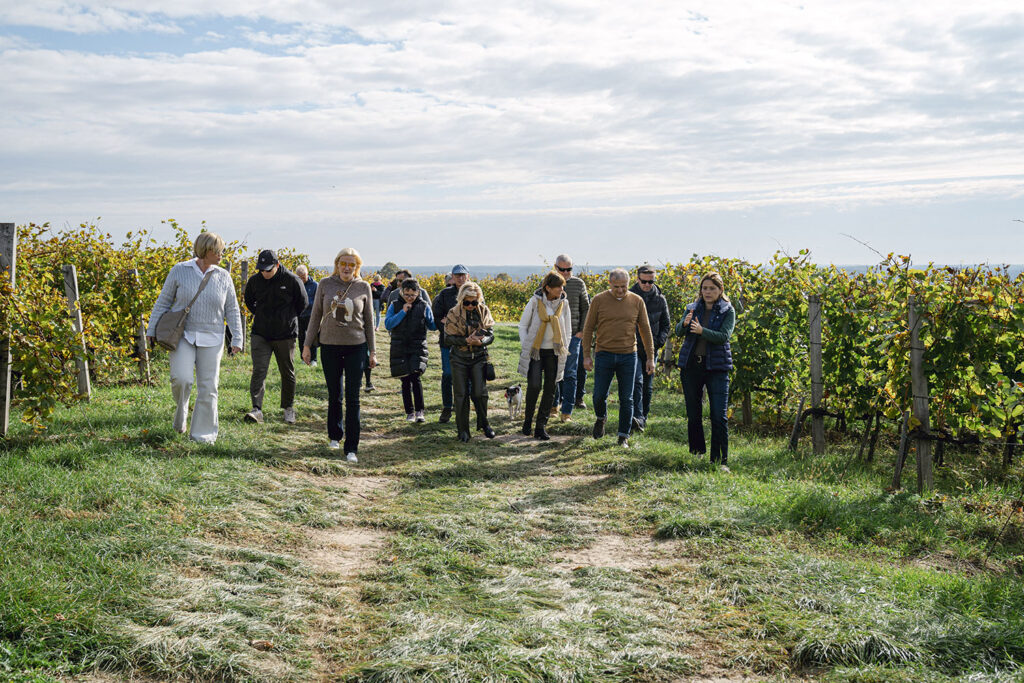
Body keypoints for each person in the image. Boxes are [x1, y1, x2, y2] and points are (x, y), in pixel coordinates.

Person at [147, 232, 242, 443]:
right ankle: (181, 411)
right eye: (219, 252)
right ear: (207, 251)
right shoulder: (180, 270)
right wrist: (151, 329)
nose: (222, 255)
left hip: (213, 337)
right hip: (183, 335)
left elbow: (232, 309)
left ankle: (203, 435)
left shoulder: (223, 276)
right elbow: (163, 302)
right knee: (181, 379)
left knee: (209, 387)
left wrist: (237, 338)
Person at [303, 248, 377, 463]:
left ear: (357, 267)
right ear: (337, 264)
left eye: (351, 265)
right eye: (343, 263)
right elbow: (315, 315)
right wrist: (308, 346)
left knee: (353, 397)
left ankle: (351, 447)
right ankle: (335, 435)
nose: (347, 268)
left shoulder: (363, 287)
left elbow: (370, 321)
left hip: (356, 347)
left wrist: (372, 351)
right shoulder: (325, 284)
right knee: (335, 394)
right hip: (329, 346)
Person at [581, 268, 655, 448]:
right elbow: (589, 328)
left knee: (627, 398)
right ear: (609, 284)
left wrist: (650, 357)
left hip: (628, 355)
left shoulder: (637, 301)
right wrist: (586, 356)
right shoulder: (599, 300)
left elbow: (645, 330)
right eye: (616, 287)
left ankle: (623, 436)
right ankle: (601, 417)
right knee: (598, 395)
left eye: (624, 287)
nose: (620, 290)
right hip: (604, 353)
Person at [675, 272, 735, 470]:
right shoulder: (692, 308)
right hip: (692, 366)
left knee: (719, 415)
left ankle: (719, 460)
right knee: (694, 413)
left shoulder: (728, 311)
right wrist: (683, 324)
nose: (708, 292)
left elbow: (723, 336)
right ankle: (697, 452)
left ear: (720, 290)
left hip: (717, 368)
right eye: (705, 288)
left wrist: (702, 331)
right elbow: (678, 331)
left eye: (712, 288)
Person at [244, 250, 307, 425]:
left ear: (277, 265)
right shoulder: (255, 281)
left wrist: (287, 318)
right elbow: (249, 301)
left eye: (268, 269)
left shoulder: (292, 280)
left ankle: (288, 408)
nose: (265, 273)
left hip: (285, 334)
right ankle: (256, 409)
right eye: (261, 269)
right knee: (259, 371)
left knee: (287, 371)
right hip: (261, 333)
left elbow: (303, 303)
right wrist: (262, 314)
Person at [518, 271, 572, 440]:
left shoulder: (564, 304)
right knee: (534, 385)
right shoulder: (535, 302)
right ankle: (528, 420)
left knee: (550, 389)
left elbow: (568, 330)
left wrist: (565, 347)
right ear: (548, 288)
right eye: (558, 286)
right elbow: (522, 326)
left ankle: (541, 426)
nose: (562, 289)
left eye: (563, 286)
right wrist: (527, 345)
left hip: (554, 352)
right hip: (536, 351)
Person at [443, 282, 495, 442]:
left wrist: (481, 342)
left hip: (479, 357)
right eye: (467, 302)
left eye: (474, 302)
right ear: (461, 300)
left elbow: (490, 335)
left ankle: (484, 423)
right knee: (461, 395)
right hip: (459, 358)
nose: (471, 305)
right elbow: (447, 339)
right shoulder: (453, 313)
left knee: (480, 393)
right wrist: (465, 340)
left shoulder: (484, 311)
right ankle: (463, 431)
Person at [385, 278, 437, 422]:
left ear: (418, 293)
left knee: (416, 377)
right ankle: (410, 412)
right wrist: (402, 312)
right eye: (406, 295)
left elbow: (432, 326)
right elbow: (389, 324)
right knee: (405, 380)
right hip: (399, 346)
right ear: (401, 292)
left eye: (412, 295)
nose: (409, 298)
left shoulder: (424, 305)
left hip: (417, 346)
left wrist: (434, 320)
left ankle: (420, 411)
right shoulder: (395, 305)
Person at [630, 265, 671, 432]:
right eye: (644, 281)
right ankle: (637, 418)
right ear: (637, 279)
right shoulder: (629, 297)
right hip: (632, 348)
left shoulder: (660, 299)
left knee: (647, 385)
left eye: (651, 281)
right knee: (636, 382)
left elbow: (666, 325)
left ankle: (643, 418)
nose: (647, 285)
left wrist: (658, 343)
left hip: (651, 349)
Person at [431, 264, 471, 423]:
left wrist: (452, 322)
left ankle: (463, 407)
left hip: (468, 342)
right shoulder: (444, 294)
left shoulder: (474, 292)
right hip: (448, 342)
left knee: (466, 376)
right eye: (457, 275)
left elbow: (480, 315)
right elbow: (437, 317)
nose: (460, 278)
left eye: (463, 275)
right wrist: (450, 328)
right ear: (452, 278)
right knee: (448, 375)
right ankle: (447, 407)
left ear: (468, 276)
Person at [553, 254, 590, 421]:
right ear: (556, 268)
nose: (566, 272)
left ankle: (566, 411)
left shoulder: (578, 283)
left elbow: (586, 309)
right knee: (553, 371)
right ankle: (553, 405)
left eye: (569, 269)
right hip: (553, 335)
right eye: (563, 269)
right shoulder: (548, 283)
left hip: (574, 335)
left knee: (570, 372)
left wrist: (581, 331)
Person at [296, 265, 318, 368]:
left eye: (303, 276)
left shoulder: (315, 285)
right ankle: (303, 358)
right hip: (299, 315)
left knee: (312, 337)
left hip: (311, 315)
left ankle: (313, 359)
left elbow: (317, 301)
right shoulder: (296, 284)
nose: (302, 279)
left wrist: (308, 304)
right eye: (300, 277)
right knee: (301, 337)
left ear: (307, 274)